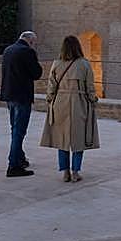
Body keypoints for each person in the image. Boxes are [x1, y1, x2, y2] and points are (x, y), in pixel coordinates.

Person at [40, 34, 100, 182]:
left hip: (60, 103)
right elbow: (90, 87)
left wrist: (50, 100)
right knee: (78, 139)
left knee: (62, 139)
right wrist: (93, 100)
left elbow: (51, 86)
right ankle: (75, 172)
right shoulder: (84, 64)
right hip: (79, 103)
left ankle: (65, 171)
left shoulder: (56, 64)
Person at [0, 30, 43, 177]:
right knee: (19, 131)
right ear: (30, 41)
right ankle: (13, 165)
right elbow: (37, 74)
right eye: (34, 43)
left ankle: (19, 158)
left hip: (9, 95)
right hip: (22, 96)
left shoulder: (8, 50)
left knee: (15, 129)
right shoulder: (27, 52)